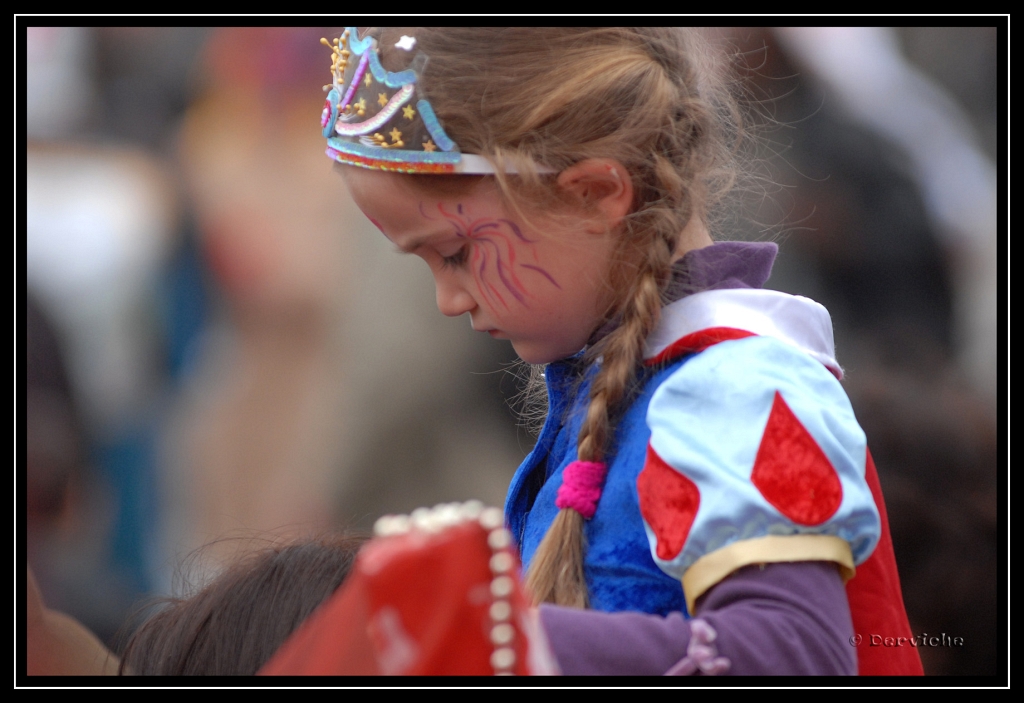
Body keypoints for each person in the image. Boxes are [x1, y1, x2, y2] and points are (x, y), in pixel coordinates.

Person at [321, 27, 923, 676]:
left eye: (457, 253)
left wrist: (501, 635)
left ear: (597, 194)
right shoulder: (629, 389)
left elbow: (792, 653)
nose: (446, 298)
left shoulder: (739, 387)